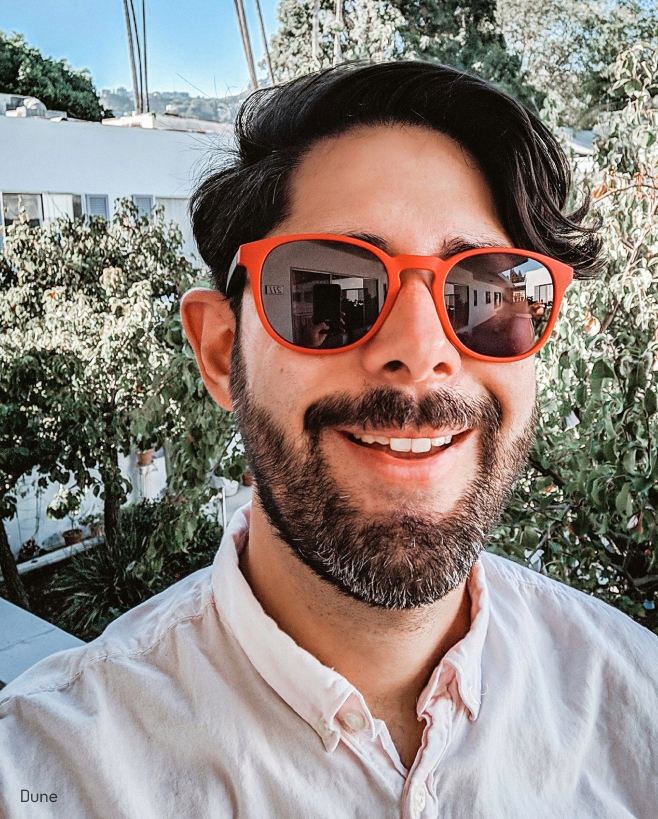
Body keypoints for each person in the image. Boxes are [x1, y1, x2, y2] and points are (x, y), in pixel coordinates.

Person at [1, 62, 657, 818]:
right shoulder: (50, 773)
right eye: (328, 293)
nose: (421, 351)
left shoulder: (636, 705)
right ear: (221, 351)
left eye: (488, 294)